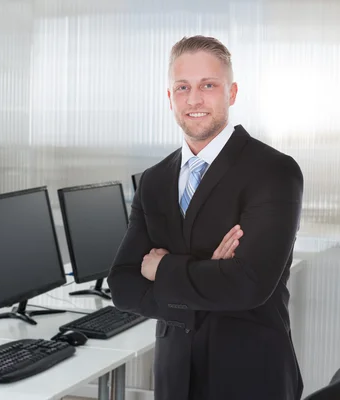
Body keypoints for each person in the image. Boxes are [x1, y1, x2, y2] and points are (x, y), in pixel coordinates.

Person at [107, 35, 304, 400]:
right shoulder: (154, 180)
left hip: (249, 376)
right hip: (174, 376)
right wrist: (209, 274)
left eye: (208, 85)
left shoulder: (273, 172)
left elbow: (248, 285)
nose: (194, 99)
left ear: (231, 93)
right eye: (182, 87)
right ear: (170, 97)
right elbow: (122, 285)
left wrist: (162, 270)